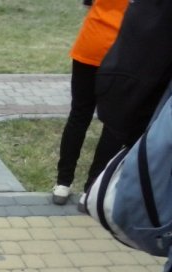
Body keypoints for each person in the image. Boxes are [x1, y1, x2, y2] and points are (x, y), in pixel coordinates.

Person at [51, 0, 128, 207]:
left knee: (79, 114)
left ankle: (63, 183)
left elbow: (87, 4)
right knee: (113, 124)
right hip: (123, 52)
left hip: (91, 44)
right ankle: (93, 188)